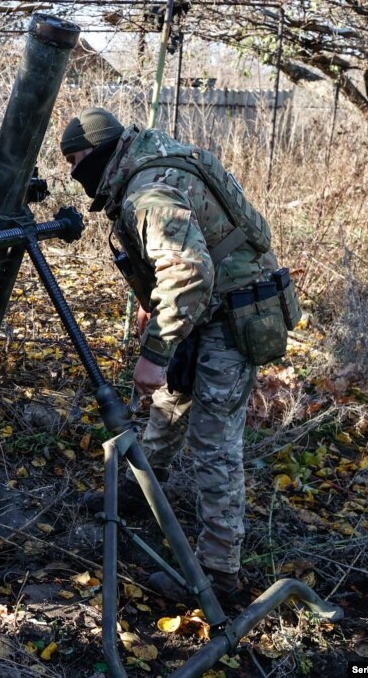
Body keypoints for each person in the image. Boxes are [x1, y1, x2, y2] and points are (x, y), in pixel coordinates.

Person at [60, 108, 294, 600]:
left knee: (215, 445)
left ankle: (219, 575)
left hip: (232, 314)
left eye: (77, 160)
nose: (74, 172)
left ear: (100, 154)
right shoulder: (150, 156)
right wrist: (155, 308)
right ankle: (142, 492)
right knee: (167, 407)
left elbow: (189, 274)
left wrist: (156, 352)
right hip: (210, 308)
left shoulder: (148, 192)